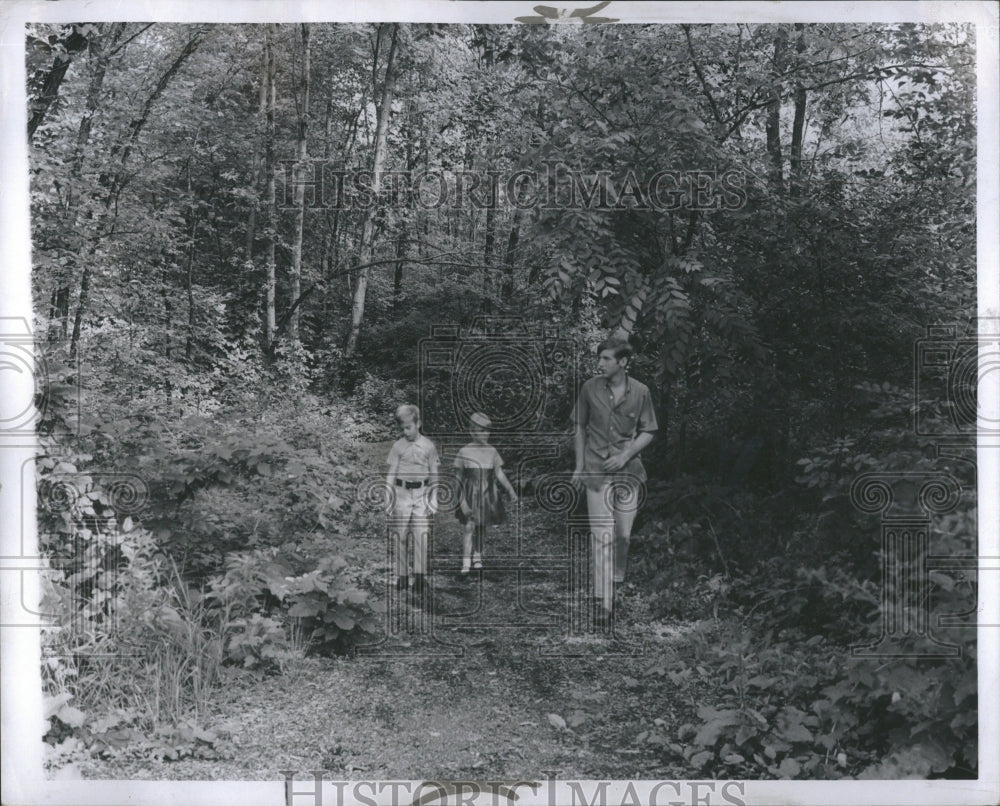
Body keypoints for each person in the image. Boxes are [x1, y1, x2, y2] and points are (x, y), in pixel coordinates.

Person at [571, 337, 658, 620]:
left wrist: (625, 455)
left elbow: (649, 431)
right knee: (602, 536)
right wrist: (579, 465)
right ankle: (604, 602)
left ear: (623, 362)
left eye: (606, 359)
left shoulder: (641, 392)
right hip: (596, 472)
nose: (600, 364)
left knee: (622, 535)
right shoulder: (589, 388)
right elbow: (579, 427)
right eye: (600, 359)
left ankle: (616, 579)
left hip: (629, 474)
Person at [385, 404, 440, 596]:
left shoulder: (429, 446)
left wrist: (434, 498)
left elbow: (434, 473)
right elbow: (391, 473)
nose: (405, 431)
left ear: (419, 423)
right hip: (401, 493)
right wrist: (388, 496)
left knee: (420, 535)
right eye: (402, 428)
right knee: (400, 535)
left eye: (409, 427)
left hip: (421, 495)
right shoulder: (398, 446)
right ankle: (401, 575)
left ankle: (419, 576)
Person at [453, 412, 518, 574]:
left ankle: (478, 557)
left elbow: (499, 473)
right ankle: (466, 562)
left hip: (486, 495)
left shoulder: (492, 451)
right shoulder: (464, 451)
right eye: (481, 431)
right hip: (469, 494)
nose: (485, 434)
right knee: (469, 527)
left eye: (487, 430)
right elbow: (458, 479)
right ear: (472, 432)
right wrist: (461, 501)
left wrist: (510, 489)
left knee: (481, 527)